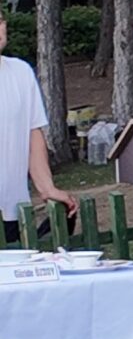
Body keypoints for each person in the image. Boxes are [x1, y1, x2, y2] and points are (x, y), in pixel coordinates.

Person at [1, 18, 74, 242]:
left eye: (0, 20)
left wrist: (47, 187)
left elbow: (33, 135)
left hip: (12, 210)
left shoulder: (21, 73)